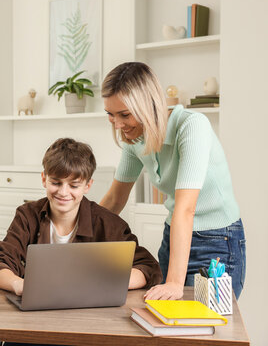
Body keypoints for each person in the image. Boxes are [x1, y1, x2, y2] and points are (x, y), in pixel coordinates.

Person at [99, 62, 245, 300]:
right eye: (110, 114)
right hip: (174, 237)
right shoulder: (134, 139)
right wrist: (77, 241)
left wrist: (174, 283)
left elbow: (186, 208)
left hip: (218, 241)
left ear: (149, 106)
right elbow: (115, 199)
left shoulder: (191, 126)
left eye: (124, 114)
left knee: (207, 331)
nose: (118, 124)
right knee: (170, 326)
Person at [0, 138, 162, 299]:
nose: (63, 192)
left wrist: (106, 283)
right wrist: (18, 285)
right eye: (55, 183)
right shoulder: (27, 216)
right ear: (44, 179)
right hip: (35, 309)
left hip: (90, 314)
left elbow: (147, 267)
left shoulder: (108, 222)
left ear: (87, 185)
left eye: (74, 185)